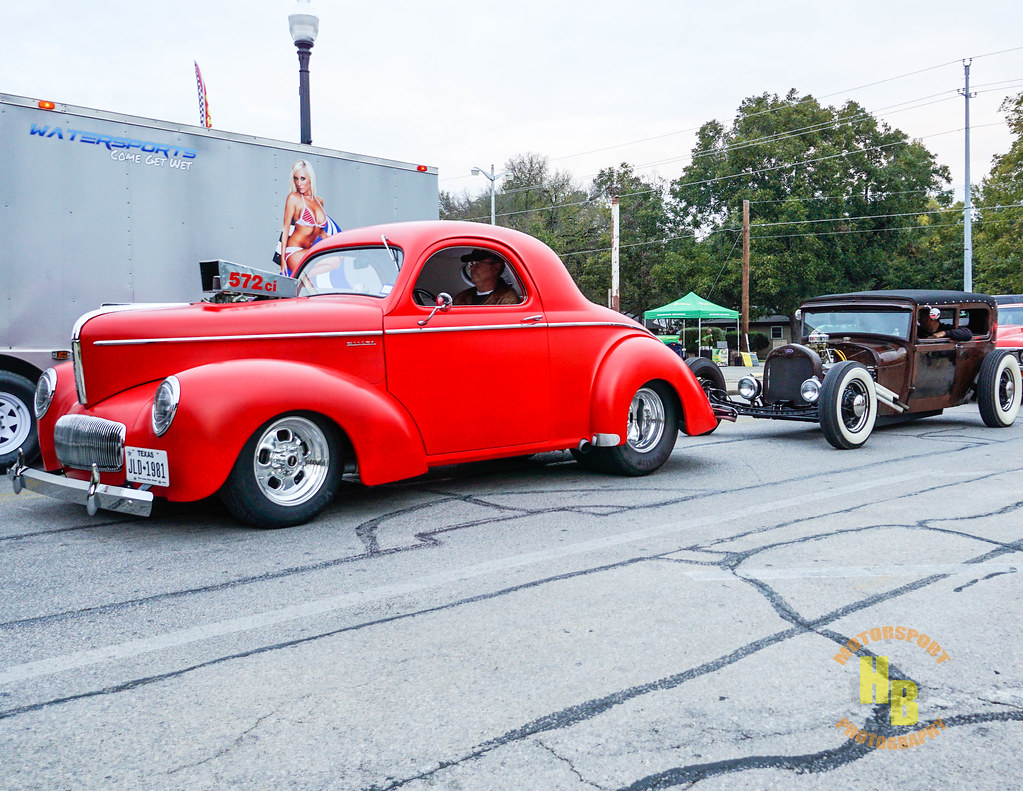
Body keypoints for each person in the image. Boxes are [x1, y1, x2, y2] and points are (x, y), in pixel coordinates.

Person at [279, 160, 329, 277]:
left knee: (336, 260)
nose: (299, 183)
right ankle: (303, 278)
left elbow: (319, 231)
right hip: (294, 252)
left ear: (311, 179)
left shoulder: (319, 201)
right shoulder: (293, 198)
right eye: (296, 179)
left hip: (307, 253)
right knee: (310, 287)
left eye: (302, 179)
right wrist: (282, 260)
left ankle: (302, 279)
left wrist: (335, 241)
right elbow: (286, 228)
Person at [453, 249, 520, 305]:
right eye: (471, 263)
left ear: (495, 268)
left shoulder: (508, 300)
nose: (472, 268)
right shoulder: (462, 297)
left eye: (477, 264)